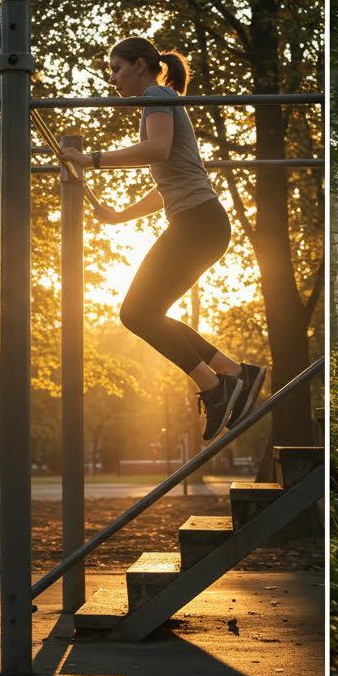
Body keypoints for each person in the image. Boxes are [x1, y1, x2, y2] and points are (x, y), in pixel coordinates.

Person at [58, 37, 265, 442]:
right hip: (199, 222)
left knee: (137, 313)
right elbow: (165, 186)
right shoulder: (160, 99)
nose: (113, 78)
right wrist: (120, 216)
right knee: (145, 311)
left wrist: (91, 160)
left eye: (116, 68)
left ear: (139, 64)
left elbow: (157, 148)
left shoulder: (156, 95)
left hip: (198, 224)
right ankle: (234, 373)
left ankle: (217, 384)